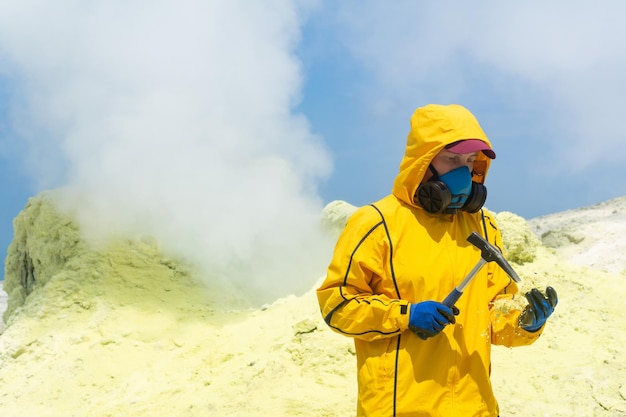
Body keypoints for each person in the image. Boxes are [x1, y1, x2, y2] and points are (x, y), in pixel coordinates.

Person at [317, 104, 558, 417]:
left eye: (471, 161)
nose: (464, 171)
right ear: (424, 161)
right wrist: (405, 315)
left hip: (476, 409)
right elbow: (337, 306)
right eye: (452, 160)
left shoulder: (483, 226)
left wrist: (524, 322)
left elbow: (494, 320)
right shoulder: (377, 223)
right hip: (400, 408)